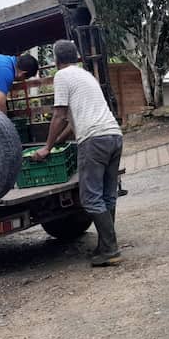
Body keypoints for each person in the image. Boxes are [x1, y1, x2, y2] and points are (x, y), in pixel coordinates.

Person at [33, 40, 123, 267]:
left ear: (56, 60)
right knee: (107, 195)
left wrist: (47, 147)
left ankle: (110, 249)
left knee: (90, 197)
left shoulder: (62, 76)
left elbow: (59, 115)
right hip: (114, 135)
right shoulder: (86, 76)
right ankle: (106, 246)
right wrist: (58, 142)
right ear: (76, 57)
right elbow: (75, 120)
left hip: (94, 141)